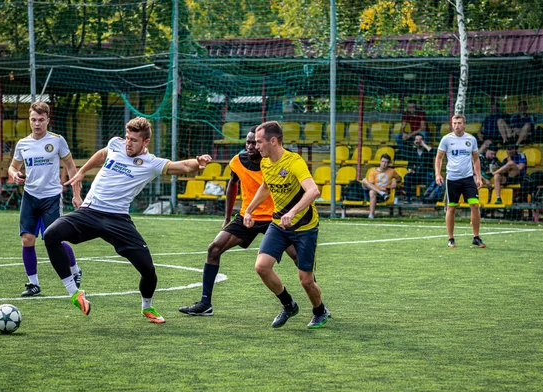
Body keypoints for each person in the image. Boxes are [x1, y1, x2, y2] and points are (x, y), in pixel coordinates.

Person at [43, 116, 211, 323]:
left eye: (133, 140)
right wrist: (82, 172)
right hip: (90, 211)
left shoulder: (151, 163)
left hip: (118, 220)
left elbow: (182, 166)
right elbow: (102, 154)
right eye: (127, 138)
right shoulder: (116, 144)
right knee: (50, 234)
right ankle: (74, 293)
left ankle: (147, 308)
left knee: (148, 271)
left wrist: (198, 163)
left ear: (145, 142)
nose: (128, 143)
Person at [179, 126, 297, 316]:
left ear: (265, 143)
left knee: (300, 257)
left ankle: (318, 305)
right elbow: (232, 185)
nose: (250, 146)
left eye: (255, 142)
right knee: (214, 249)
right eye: (248, 142)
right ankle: (205, 303)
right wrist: (227, 217)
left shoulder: (278, 162)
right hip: (247, 216)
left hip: (275, 218)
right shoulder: (238, 161)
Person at [243, 121, 330, 329]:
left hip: (304, 227)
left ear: (273, 141)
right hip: (278, 224)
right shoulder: (265, 162)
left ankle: (320, 311)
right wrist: (248, 209)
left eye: (259, 141)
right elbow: (266, 186)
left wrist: (293, 212)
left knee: (306, 280)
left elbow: (313, 191)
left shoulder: (294, 162)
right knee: (261, 267)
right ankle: (288, 304)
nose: (256, 146)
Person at [7, 101, 83, 297]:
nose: (37, 124)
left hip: (51, 197)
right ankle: (33, 284)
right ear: (29, 120)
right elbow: (13, 167)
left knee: (55, 239)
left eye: (41, 120)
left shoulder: (57, 141)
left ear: (47, 120)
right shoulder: (22, 144)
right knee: (27, 239)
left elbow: (71, 167)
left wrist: (76, 194)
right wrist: (14, 174)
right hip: (30, 196)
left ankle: (75, 270)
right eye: (33, 120)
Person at [434, 114, 486, 249]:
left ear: (464, 124)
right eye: (455, 123)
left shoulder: (471, 139)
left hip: (468, 178)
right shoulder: (446, 139)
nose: (457, 125)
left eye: (459, 123)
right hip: (452, 179)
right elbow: (439, 158)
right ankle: (450, 239)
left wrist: (478, 177)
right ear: (452, 124)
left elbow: (476, 159)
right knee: (451, 207)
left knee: (475, 206)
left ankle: (476, 237)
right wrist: (438, 174)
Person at [362, 154, 402, 218]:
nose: (384, 164)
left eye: (386, 162)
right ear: (380, 162)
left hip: (383, 196)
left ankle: (371, 215)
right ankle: (380, 193)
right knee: (364, 180)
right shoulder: (373, 170)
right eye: (383, 161)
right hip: (372, 193)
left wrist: (395, 180)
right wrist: (379, 191)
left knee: (372, 192)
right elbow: (371, 184)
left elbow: (399, 178)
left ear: (388, 163)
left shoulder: (392, 171)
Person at [402, 133, 435, 202]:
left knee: (429, 176)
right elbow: (409, 164)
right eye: (416, 139)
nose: (418, 141)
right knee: (407, 176)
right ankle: (408, 198)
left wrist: (424, 145)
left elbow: (434, 153)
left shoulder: (427, 150)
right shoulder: (412, 151)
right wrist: (410, 169)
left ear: (423, 141)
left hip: (426, 175)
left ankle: (427, 198)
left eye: (420, 139)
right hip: (416, 175)